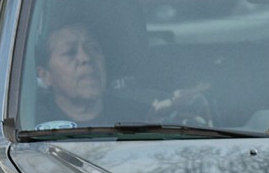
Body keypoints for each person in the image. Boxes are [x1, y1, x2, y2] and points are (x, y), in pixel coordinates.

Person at [35, 18, 212, 128]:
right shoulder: (29, 127)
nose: (86, 58)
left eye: (94, 48)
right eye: (69, 52)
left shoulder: (146, 115)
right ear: (45, 75)